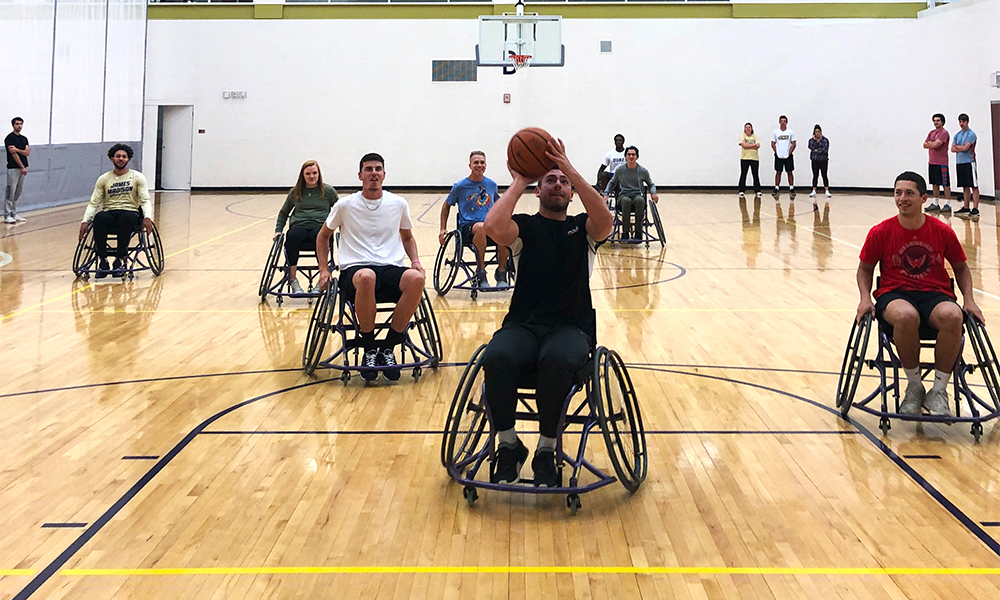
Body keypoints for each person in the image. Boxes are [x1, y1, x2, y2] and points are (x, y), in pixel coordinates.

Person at [482, 137, 614, 487]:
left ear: (572, 193)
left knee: (555, 362)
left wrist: (570, 168)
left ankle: (546, 448)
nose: (557, 185)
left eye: (563, 183)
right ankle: (508, 445)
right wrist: (518, 181)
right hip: (524, 325)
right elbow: (492, 227)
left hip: (570, 327)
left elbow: (607, 221)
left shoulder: (584, 229)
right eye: (550, 180)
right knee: (495, 357)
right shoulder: (524, 227)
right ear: (537, 191)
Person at [855, 171, 983, 417]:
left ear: (924, 198)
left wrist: (969, 300)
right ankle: (914, 386)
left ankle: (939, 391)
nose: (902, 198)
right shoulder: (880, 232)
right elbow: (865, 269)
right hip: (895, 294)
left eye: (909, 193)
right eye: (897, 193)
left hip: (934, 294)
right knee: (906, 316)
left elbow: (961, 268)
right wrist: (864, 298)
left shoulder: (941, 231)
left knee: (953, 316)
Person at [316, 153, 424, 382]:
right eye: (368, 169)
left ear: (384, 174)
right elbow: (323, 236)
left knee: (417, 279)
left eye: (378, 169)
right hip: (355, 270)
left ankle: (387, 346)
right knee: (367, 276)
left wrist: (415, 261)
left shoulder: (398, 203)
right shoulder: (345, 204)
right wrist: (324, 269)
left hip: (389, 267)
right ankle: (368, 347)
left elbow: (407, 237)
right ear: (360, 175)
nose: (373, 173)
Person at [79, 144, 154, 278]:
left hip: (130, 212)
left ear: (128, 159)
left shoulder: (137, 177)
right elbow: (94, 203)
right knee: (100, 218)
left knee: (126, 218)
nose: (121, 159)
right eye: (118, 156)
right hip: (110, 212)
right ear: (111, 158)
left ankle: (119, 260)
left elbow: (145, 200)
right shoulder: (104, 178)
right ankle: (103, 260)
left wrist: (148, 217)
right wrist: (85, 221)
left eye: (124, 157)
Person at [438, 151, 509, 288]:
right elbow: (446, 206)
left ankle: (501, 271)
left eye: (482, 162)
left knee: (506, 230)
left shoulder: (491, 185)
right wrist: (442, 229)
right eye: (476, 162)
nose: (479, 165)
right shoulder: (460, 186)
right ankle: (481, 273)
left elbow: (499, 204)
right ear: (470, 165)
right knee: (481, 227)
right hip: (467, 227)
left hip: (489, 226)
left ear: (486, 165)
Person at [273, 160, 339, 294]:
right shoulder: (295, 192)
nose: (312, 176)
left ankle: (322, 279)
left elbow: (340, 211)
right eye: (308, 173)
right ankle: (293, 280)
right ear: (302, 175)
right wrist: (278, 230)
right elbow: (283, 213)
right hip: (300, 225)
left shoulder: (328, 191)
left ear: (319, 174)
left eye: (314, 173)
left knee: (320, 237)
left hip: (320, 226)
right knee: (292, 237)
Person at [602, 146, 658, 241]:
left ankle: (638, 232)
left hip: (637, 195)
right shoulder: (620, 170)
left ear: (637, 156)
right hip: (624, 195)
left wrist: (654, 193)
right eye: (629, 154)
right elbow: (611, 183)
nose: (631, 156)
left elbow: (651, 184)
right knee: (626, 201)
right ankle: (625, 232)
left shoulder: (643, 171)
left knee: (640, 201)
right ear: (626, 157)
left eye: (633, 154)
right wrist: (606, 194)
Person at [951, 113, 980, 220]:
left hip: (969, 162)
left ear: (967, 122)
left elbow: (966, 148)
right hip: (960, 163)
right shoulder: (957, 135)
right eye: (960, 122)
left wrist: (958, 147)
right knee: (965, 186)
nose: (961, 124)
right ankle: (966, 206)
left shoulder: (971, 134)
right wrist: (960, 147)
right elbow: (952, 149)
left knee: (974, 185)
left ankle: (976, 208)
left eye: (963, 122)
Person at [922, 113, 952, 214]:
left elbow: (936, 144)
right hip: (932, 161)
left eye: (938, 120)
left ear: (942, 122)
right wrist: (931, 144)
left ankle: (948, 203)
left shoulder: (944, 133)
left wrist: (931, 144)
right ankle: (935, 203)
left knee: (945, 183)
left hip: (942, 162)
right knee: (934, 183)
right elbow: (924, 144)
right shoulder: (931, 133)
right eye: (934, 121)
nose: (936, 122)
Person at [4, 117, 30, 224]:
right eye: (17, 124)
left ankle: (14, 213)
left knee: (18, 192)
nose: (19, 126)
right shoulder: (9, 138)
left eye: (21, 124)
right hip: (13, 168)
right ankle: (7, 215)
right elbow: (13, 154)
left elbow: (27, 152)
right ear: (13, 125)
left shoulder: (24, 139)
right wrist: (22, 166)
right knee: (11, 191)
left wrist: (18, 150)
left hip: (23, 169)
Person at [771, 116, 796, 200]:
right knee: (778, 172)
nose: (783, 122)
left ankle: (791, 188)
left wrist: (789, 153)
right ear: (779, 122)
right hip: (779, 156)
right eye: (781, 121)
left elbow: (794, 143)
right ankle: (776, 188)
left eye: (784, 121)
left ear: (786, 122)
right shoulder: (775, 132)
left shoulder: (791, 132)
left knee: (789, 172)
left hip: (788, 156)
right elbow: (773, 144)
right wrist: (777, 152)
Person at [738, 123, 761, 199]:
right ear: (744, 129)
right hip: (744, 158)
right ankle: (741, 191)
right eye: (746, 127)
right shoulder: (742, 136)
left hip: (754, 158)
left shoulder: (755, 137)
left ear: (751, 128)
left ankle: (757, 191)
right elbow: (744, 146)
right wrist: (753, 145)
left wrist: (748, 145)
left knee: (755, 175)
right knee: (743, 174)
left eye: (749, 127)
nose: (748, 129)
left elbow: (757, 146)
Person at [808, 124, 831, 200]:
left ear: (821, 132)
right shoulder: (811, 140)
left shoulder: (825, 140)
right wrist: (814, 141)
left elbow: (824, 150)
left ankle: (827, 190)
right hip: (815, 160)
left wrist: (816, 150)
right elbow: (811, 147)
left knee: (824, 175)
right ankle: (814, 190)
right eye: (816, 132)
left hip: (823, 160)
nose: (817, 133)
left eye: (818, 131)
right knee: (815, 175)